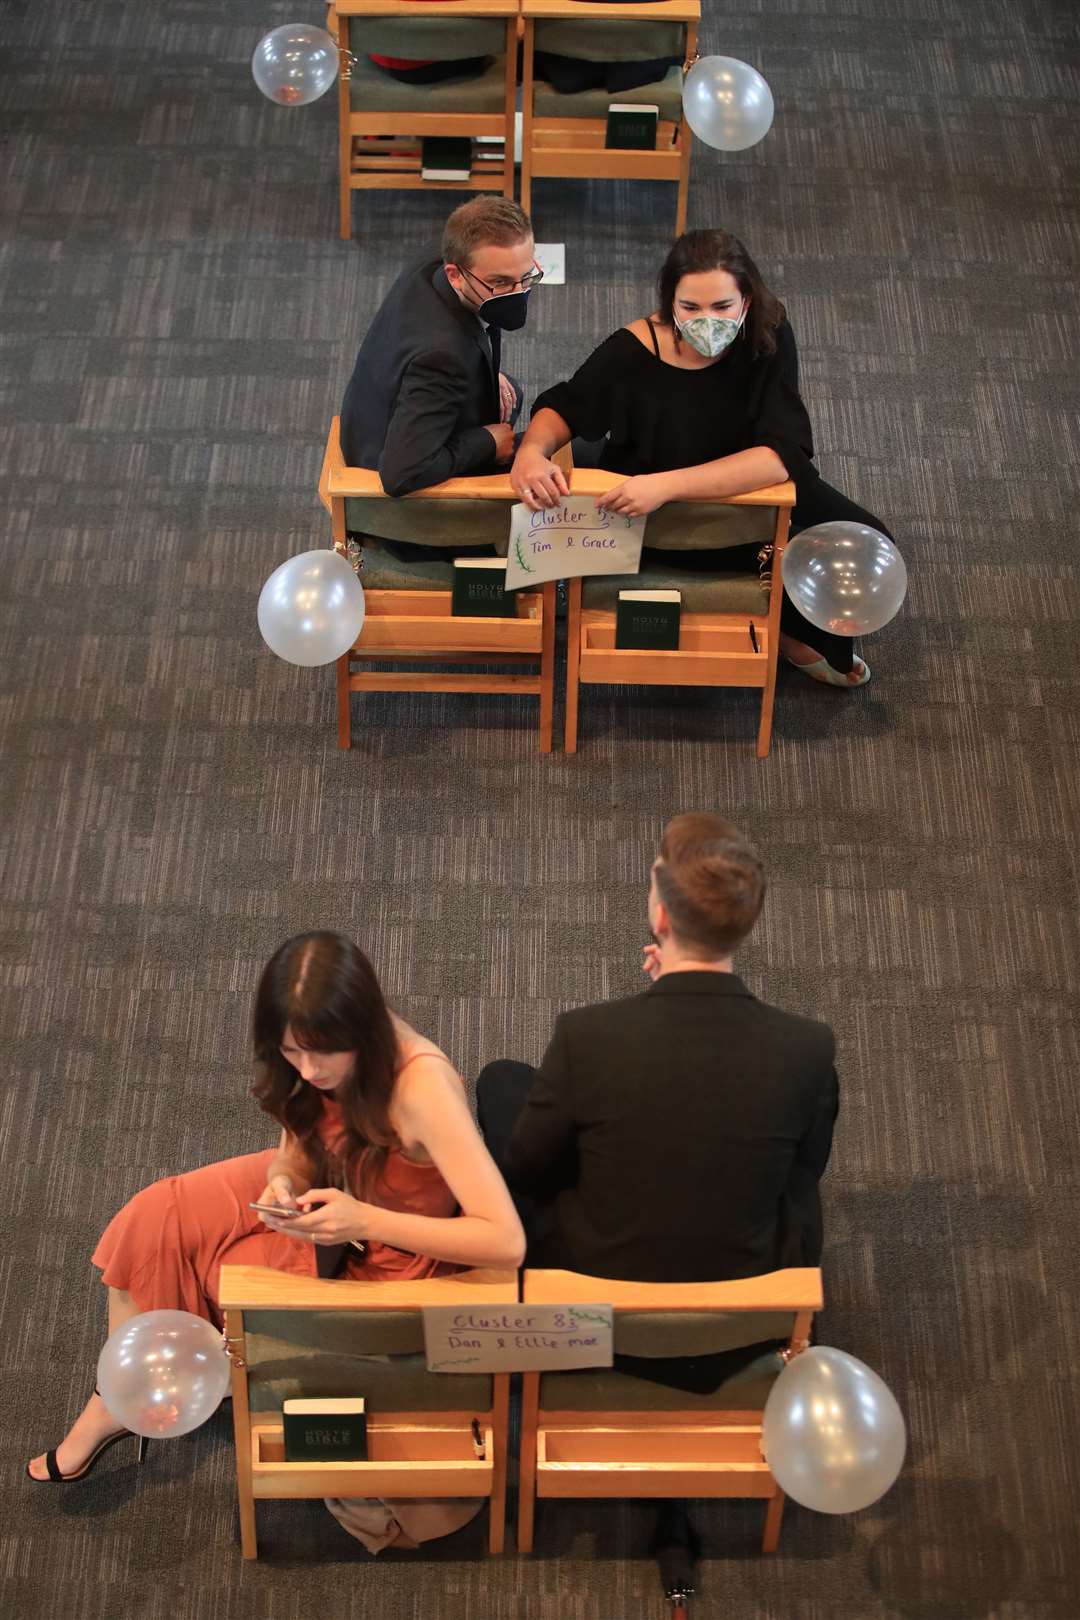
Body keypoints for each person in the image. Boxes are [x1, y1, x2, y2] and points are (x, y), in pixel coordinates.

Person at [27, 932, 524, 1552]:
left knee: (233, 1284)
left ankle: (132, 1397)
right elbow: (296, 1143)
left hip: (390, 1246)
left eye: (324, 1055)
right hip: (331, 1189)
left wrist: (363, 1222)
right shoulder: (309, 1065)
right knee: (152, 1217)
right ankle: (119, 1398)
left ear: (363, 1032)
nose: (310, 1071)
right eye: (293, 1052)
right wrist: (284, 1181)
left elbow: (505, 1241)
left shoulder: (422, 1090)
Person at [477, 811, 839, 1297]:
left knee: (501, 1082)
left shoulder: (587, 1036)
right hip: (741, 1308)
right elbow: (806, 1168)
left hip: (595, 1312)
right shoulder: (809, 1048)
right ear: (747, 921)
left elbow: (530, 1169)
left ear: (661, 917)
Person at [511, 228, 895, 685]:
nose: (706, 320)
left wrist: (667, 483)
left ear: (746, 301)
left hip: (742, 478)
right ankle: (786, 630)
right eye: (690, 307)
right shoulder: (632, 349)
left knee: (868, 537)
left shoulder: (768, 333)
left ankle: (788, 625)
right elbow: (567, 405)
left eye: (722, 307)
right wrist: (532, 451)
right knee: (743, 557)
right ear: (670, 300)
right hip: (658, 510)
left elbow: (780, 455)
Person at [339, 197, 541, 502]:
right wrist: (486, 442)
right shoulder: (443, 356)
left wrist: (485, 371)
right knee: (568, 456)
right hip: (390, 479)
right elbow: (402, 474)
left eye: (526, 277)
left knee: (511, 393)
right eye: (500, 283)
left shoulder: (444, 257)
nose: (518, 293)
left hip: (377, 411)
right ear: (455, 274)